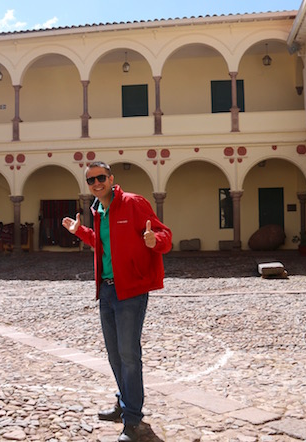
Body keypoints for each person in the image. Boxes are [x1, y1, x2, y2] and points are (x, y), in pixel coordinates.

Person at [62, 161, 172, 442]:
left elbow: (165, 236)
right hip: (107, 290)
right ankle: (124, 402)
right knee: (114, 354)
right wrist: (79, 231)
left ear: (111, 179)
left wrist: (155, 241)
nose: (96, 183)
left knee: (129, 355)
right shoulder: (98, 210)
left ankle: (133, 419)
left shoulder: (134, 203)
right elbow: (103, 244)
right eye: (91, 180)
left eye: (101, 177)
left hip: (131, 290)